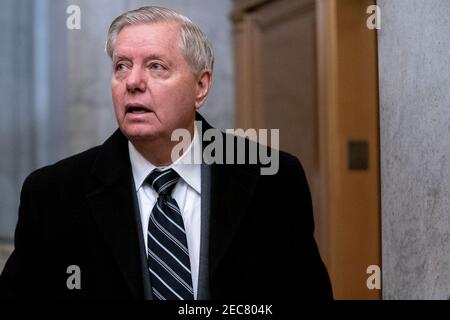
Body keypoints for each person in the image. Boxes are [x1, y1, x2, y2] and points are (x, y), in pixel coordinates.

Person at [0, 6, 332, 300]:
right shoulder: (53, 194)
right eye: (121, 66)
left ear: (200, 87)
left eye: (156, 66)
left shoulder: (272, 179)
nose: (133, 81)